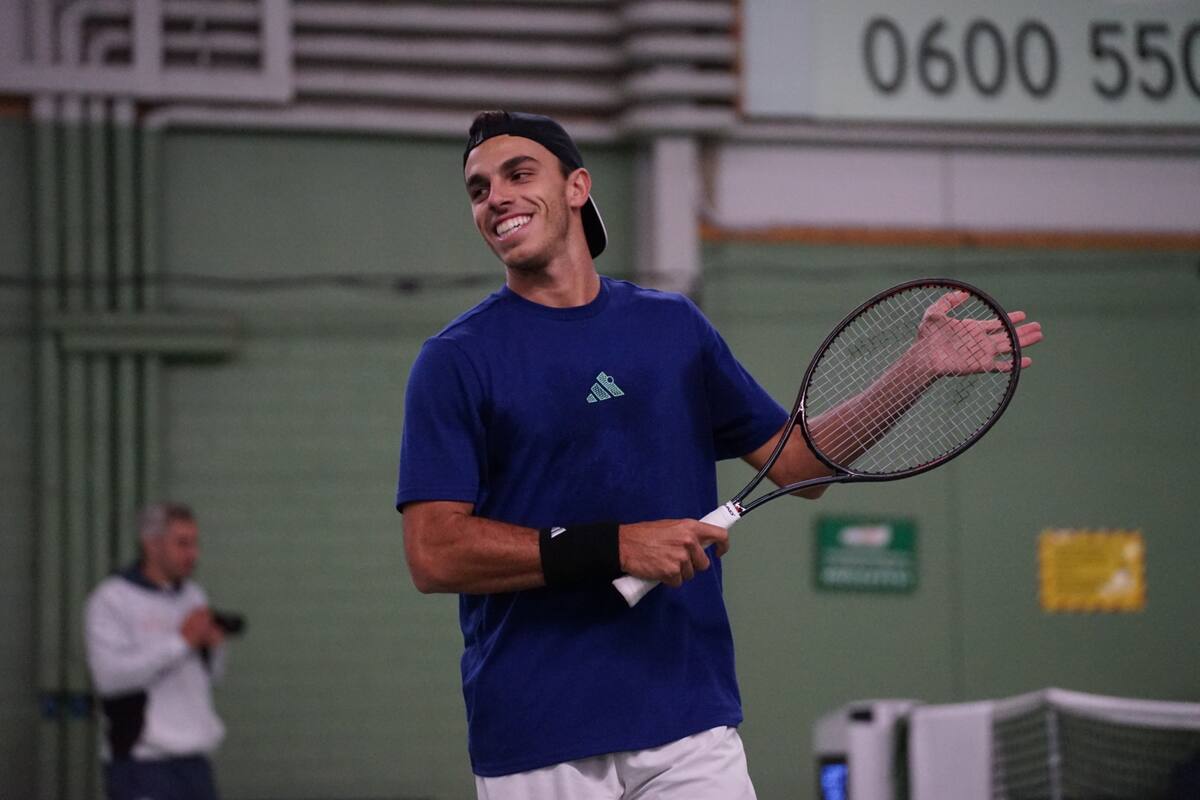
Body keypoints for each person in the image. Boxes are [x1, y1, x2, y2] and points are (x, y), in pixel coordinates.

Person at [395, 110, 1043, 799]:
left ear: (577, 187)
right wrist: (614, 547)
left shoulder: (670, 327)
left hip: (689, 720)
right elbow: (435, 554)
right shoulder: (456, 361)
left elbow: (797, 464)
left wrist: (917, 369)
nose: (495, 197)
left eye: (518, 174)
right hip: (539, 735)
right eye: (478, 189)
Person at [84, 502, 230, 800]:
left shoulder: (193, 596)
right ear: (151, 545)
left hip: (194, 760)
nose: (193, 554)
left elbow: (211, 679)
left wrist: (214, 649)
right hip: (142, 763)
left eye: (195, 543)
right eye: (182, 543)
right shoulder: (112, 600)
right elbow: (109, 679)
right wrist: (182, 642)